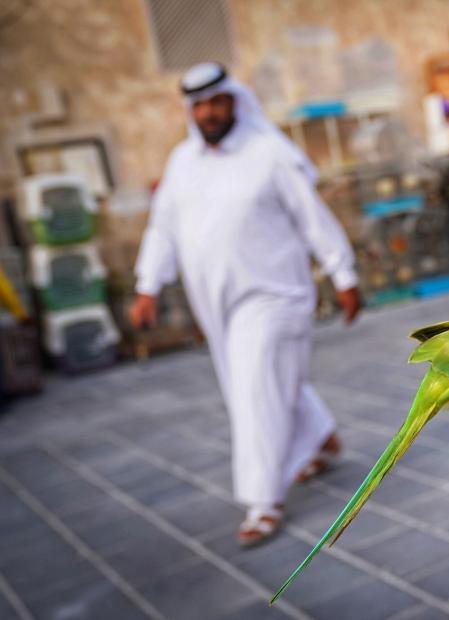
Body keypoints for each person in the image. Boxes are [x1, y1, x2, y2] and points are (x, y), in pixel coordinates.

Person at [129, 63, 361, 548]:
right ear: (190, 110)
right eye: (199, 105)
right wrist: (148, 286)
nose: (209, 112)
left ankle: (262, 501)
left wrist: (344, 274)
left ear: (234, 100)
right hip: (217, 306)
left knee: (255, 386)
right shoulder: (181, 163)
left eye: (217, 101)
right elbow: (162, 228)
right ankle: (321, 437)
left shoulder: (269, 154)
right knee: (253, 380)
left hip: (276, 296)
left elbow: (312, 218)